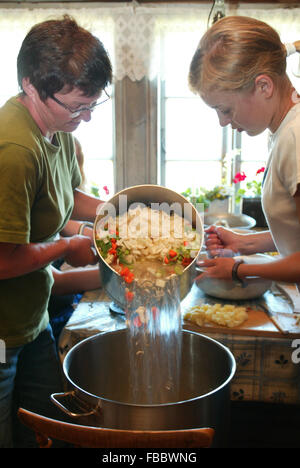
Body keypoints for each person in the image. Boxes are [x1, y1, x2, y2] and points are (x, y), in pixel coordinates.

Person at [0, 15, 112, 447]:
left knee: (47, 424)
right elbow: (3, 260)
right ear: (32, 86)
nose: (85, 118)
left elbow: (69, 196)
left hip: (30, 316)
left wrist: (126, 211)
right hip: (2, 332)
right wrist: (66, 245)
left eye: (92, 105)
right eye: (76, 106)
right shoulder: (13, 150)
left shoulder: (56, 127)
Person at [188, 15, 300, 285]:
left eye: (225, 109)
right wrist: (244, 243)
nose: (223, 122)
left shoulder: (295, 139)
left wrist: (239, 269)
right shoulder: (284, 128)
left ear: (264, 86)